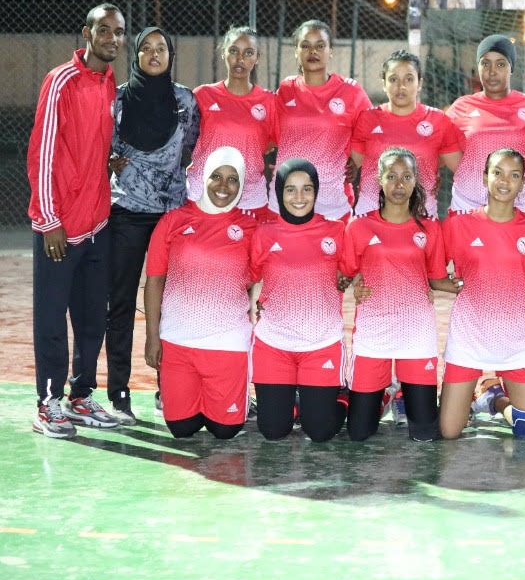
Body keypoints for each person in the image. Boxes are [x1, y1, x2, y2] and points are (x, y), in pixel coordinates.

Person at [29, 3, 126, 437]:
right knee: (52, 319)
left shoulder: (109, 83)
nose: (112, 38)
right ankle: (48, 403)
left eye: (118, 32)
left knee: (91, 319)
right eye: (103, 30)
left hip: (96, 225)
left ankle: (81, 396)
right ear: (86, 33)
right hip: (61, 227)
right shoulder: (60, 81)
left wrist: (110, 163)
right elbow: (42, 154)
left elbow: (88, 147)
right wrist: (49, 220)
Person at [105, 25, 200, 424]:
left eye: (162, 48)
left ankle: (169, 388)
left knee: (171, 304)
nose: (155, 54)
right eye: (147, 48)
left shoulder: (184, 101)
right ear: (137, 56)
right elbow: (102, 143)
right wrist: (109, 163)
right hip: (127, 210)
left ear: (170, 55)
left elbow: (189, 146)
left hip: (171, 212)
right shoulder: (120, 99)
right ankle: (119, 392)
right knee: (122, 301)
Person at [439, 148, 525, 440]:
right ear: (485, 178)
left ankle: (492, 396)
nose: (505, 180)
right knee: (448, 432)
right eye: (497, 172)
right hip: (468, 338)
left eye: (515, 175)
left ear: (523, 184)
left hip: (514, 343)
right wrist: (446, 284)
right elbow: (429, 270)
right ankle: (474, 395)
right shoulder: (459, 225)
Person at [341, 147, 459, 442]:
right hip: (374, 332)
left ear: (415, 181)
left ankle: (403, 392)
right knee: (359, 433)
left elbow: (436, 278)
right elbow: (345, 270)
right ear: (379, 180)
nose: (399, 184)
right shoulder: (359, 226)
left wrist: (466, 284)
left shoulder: (429, 228)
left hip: (416, 333)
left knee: (424, 434)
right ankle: (384, 396)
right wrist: (356, 280)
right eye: (391, 176)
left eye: (406, 176)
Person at [144, 146, 257, 439]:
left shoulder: (250, 229)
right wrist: (152, 337)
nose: (223, 186)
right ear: (203, 177)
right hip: (178, 341)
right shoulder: (173, 221)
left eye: (233, 179)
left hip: (227, 344)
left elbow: (264, 277)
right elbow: (155, 281)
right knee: (182, 429)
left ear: (242, 184)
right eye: (216, 176)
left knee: (226, 430)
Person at [249, 158, 347, 442]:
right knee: (273, 431)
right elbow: (251, 279)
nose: (299, 197)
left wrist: (354, 280)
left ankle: (342, 397)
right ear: (279, 192)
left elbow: (354, 270)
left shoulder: (337, 232)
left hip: (321, 343)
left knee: (320, 432)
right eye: (290, 189)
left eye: (307, 189)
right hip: (274, 343)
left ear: (316, 192)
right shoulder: (264, 234)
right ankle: (292, 402)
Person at [273, 20, 372, 220]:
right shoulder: (286, 89)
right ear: (296, 51)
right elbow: (271, 136)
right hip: (285, 200)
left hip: (332, 203)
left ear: (330, 50)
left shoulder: (351, 91)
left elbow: (372, 134)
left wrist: (355, 160)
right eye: (305, 45)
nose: (313, 51)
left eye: (320, 45)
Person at [351, 50, 463, 218]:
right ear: (384, 83)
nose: (401, 86)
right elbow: (353, 164)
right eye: (393, 79)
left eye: (409, 79)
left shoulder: (438, 120)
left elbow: (462, 169)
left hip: (420, 214)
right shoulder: (367, 118)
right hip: (371, 214)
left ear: (420, 83)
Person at [446, 35, 525, 219]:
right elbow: (444, 151)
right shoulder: (460, 107)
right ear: (478, 67)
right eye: (485, 63)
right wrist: (472, 172)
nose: (492, 71)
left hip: (523, 206)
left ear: (511, 68)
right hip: (470, 206)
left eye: (500, 64)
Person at [188, 26, 276, 221]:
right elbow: (185, 138)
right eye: (234, 51)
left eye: (249, 53)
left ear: (257, 57)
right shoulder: (203, 95)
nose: (240, 59)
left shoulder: (269, 102)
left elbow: (276, 143)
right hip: (203, 192)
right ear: (223, 53)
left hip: (249, 197)